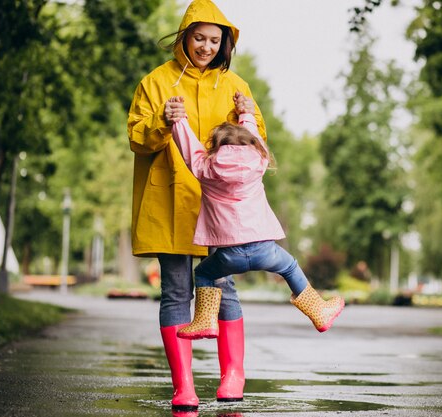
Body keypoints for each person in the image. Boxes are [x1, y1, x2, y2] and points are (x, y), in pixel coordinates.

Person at [127, 0, 266, 411]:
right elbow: (137, 137)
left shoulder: (235, 84)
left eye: (214, 39)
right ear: (184, 37)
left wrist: (247, 116)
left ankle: (232, 375)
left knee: (224, 286)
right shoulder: (155, 82)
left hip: (220, 205)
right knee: (175, 291)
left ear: (225, 43)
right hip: (169, 199)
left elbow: (255, 144)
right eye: (199, 38)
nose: (206, 46)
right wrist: (161, 122)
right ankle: (183, 386)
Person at [167, 94, 345, 341]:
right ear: (252, 144)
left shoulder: (206, 168)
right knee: (291, 266)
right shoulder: (259, 161)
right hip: (265, 250)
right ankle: (319, 311)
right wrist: (246, 114)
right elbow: (256, 138)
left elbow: (189, 150)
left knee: (205, 274)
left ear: (216, 147)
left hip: (229, 255)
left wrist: (179, 120)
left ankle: (205, 321)